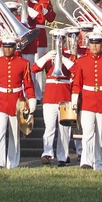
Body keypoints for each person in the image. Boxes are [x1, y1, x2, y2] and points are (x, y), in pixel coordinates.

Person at [70, 31, 102, 171]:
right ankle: (86, 161)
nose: (94, 46)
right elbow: (77, 83)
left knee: (101, 134)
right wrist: (75, 100)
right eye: (92, 43)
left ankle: (99, 163)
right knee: (88, 132)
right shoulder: (82, 61)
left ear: (101, 44)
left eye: (97, 43)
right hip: (87, 100)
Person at [0, 35, 35, 169]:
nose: (7, 50)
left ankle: (12, 163)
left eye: (10, 47)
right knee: (0, 131)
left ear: (14, 48)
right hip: (0, 102)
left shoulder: (23, 63)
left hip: (17, 101)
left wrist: (31, 100)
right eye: (5, 47)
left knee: (14, 134)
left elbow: (28, 84)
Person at [34, 28, 76, 165]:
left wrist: (62, 58)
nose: (58, 42)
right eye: (56, 39)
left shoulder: (70, 56)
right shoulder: (48, 55)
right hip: (50, 97)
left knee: (65, 129)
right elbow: (34, 69)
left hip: (65, 95)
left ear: (64, 41)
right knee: (49, 127)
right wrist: (46, 58)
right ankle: (47, 153)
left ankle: (63, 156)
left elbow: (76, 70)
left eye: (60, 39)